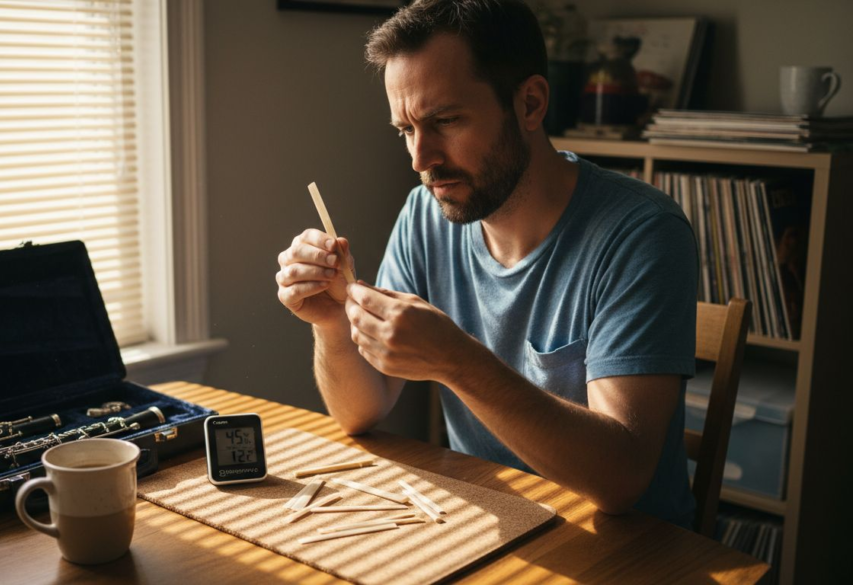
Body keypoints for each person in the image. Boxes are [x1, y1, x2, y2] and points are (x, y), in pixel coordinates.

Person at [274, 0, 698, 528]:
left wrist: (459, 361)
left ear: (530, 104)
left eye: (445, 120)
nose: (419, 159)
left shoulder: (641, 233)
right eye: (405, 130)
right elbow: (362, 410)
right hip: (494, 528)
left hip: (629, 552)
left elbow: (621, 480)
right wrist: (333, 324)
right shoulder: (425, 214)